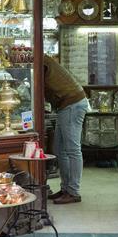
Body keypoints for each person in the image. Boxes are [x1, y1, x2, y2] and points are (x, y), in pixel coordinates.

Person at [43, 55, 88, 204]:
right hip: (66, 105)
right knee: (59, 149)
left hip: (72, 103)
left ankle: (73, 191)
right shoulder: (42, 60)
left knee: (72, 149)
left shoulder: (40, 61)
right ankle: (66, 189)